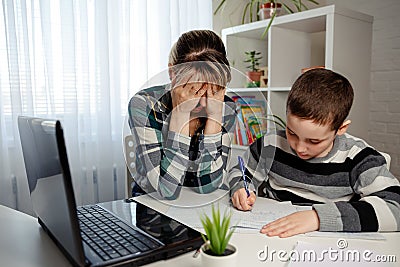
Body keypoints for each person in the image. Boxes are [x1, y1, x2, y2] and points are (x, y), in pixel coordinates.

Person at [229, 68, 400, 237]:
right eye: (292, 133)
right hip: (271, 234)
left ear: (341, 128)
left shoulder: (359, 158)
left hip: (330, 244)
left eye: (314, 141)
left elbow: (396, 207)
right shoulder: (269, 145)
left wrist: (317, 218)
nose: (299, 148)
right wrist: (241, 189)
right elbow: (241, 172)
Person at [128, 30, 236, 199]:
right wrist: (181, 114)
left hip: (200, 202)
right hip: (151, 203)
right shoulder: (144, 104)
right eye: (193, 87)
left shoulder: (225, 106)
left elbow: (209, 186)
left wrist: (215, 116)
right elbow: (166, 191)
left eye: (211, 87)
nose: (202, 98)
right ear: (173, 74)